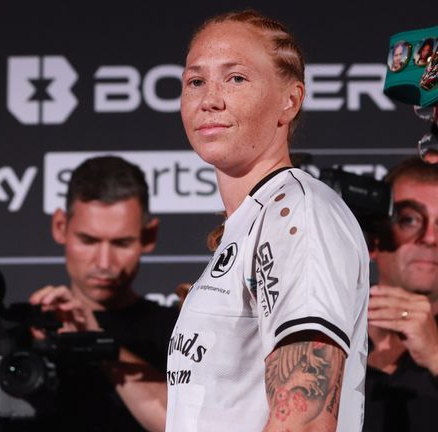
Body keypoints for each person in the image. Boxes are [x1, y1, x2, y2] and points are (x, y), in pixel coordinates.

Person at [167, 10, 369, 431]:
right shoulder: (253, 221)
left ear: (289, 100)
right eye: (196, 81)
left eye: (236, 78)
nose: (210, 99)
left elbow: (306, 421)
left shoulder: (297, 214)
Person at [0, 155, 178, 432]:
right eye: (88, 240)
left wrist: (96, 341)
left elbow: (188, 424)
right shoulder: (15, 332)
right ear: (60, 226)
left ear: (149, 237)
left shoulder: (179, 331)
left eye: (121, 243)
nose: (104, 263)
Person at [365, 157, 438, 432]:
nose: (430, 238)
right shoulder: (329, 336)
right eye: (409, 220)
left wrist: (435, 356)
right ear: (373, 241)